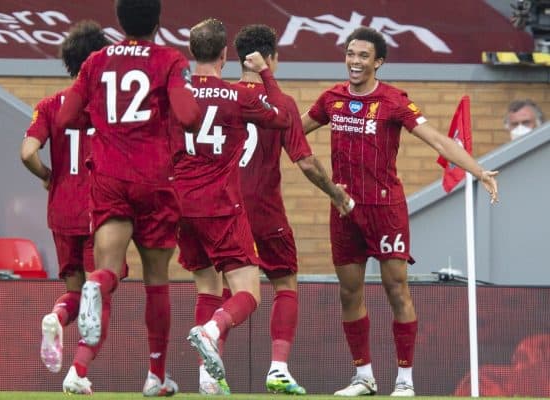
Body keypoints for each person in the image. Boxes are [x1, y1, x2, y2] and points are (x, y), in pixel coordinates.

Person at [301, 26, 499, 397]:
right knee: (349, 293)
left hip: (386, 209)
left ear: (379, 62)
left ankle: (405, 380)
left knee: (396, 289)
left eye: (363, 56)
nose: (354, 61)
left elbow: (437, 139)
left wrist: (478, 170)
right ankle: (363, 377)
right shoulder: (331, 99)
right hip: (344, 209)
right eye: (350, 54)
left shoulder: (394, 101)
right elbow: (295, 133)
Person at [56, 0, 202, 396]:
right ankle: (156, 377)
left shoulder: (96, 62)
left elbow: (67, 117)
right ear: (158, 21)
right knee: (157, 281)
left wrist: (104, 121)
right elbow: (188, 115)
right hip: (154, 179)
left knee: (105, 273)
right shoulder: (170, 59)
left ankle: (81, 364)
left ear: (119, 21)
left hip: (109, 178)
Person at [170, 18, 292, 395]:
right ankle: (212, 328)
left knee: (206, 286)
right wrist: (266, 74)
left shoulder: (173, 93)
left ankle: (208, 378)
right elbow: (283, 117)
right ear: (225, 54)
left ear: (192, 52)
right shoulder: (238, 96)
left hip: (179, 204)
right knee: (249, 293)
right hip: (220, 204)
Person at [232, 24, 352, 395]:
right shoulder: (281, 104)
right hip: (266, 211)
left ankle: (209, 371)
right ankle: (279, 368)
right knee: (285, 284)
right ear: (269, 59)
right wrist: (336, 195)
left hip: (223, 209)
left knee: (221, 285)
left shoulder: (220, 96)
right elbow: (307, 163)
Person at [20, 18, 108, 383]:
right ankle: (78, 370)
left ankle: (56, 316)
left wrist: (47, 175)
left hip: (61, 211)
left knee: (73, 292)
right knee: (100, 293)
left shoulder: (50, 105)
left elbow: (26, 152)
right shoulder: (107, 108)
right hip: (99, 212)